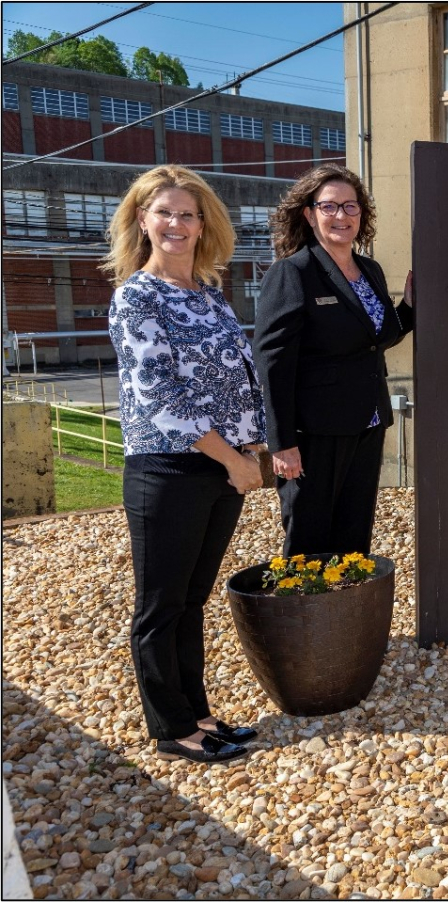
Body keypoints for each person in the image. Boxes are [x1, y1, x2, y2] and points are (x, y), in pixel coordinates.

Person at [104, 165, 265, 765]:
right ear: (142, 220)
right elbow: (162, 397)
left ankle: (196, 712)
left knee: (192, 599)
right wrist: (234, 459)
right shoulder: (136, 297)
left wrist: (250, 453)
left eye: (188, 214)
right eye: (164, 212)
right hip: (168, 469)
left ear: (204, 225)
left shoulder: (209, 294)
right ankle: (171, 727)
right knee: (161, 603)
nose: (176, 224)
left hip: (223, 469)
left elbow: (240, 382)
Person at [253, 164, 413, 556]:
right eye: (329, 207)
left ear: (362, 214)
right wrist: (282, 443)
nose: (341, 215)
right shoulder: (293, 273)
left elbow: (376, 338)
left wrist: (408, 308)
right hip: (315, 431)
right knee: (309, 536)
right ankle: (305, 612)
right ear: (309, 214)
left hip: (369, 421)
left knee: (354, 531)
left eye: (350, 206)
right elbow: (271, 362)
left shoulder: (369, 270)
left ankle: (348, 607)